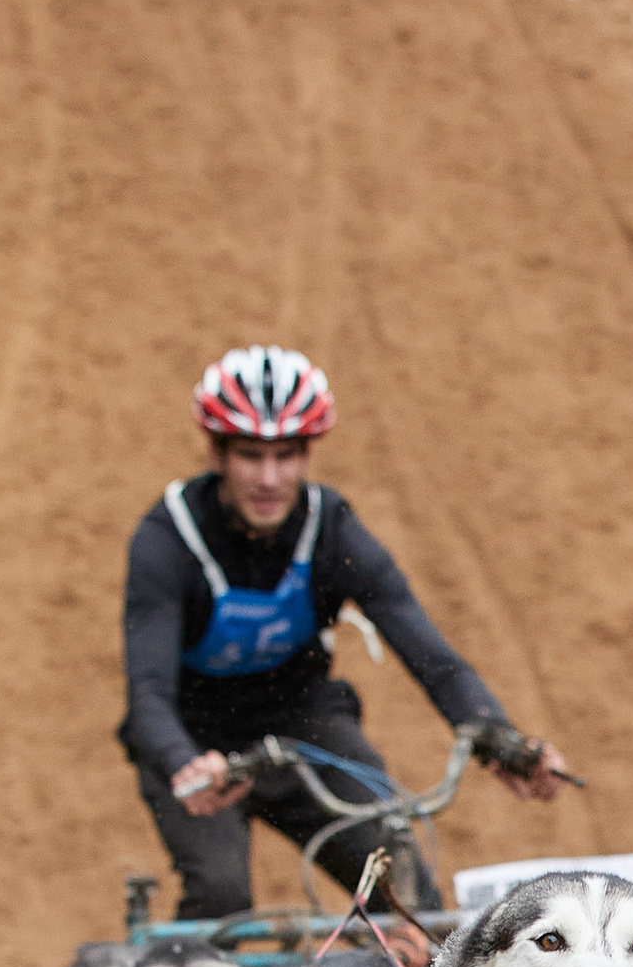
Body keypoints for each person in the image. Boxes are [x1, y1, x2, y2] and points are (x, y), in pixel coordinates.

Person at [120, 345, 573, 930]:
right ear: (216, 452)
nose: (269, 478)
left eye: (286, 455)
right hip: (197, 740)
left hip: (304, 725)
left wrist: (501, 739)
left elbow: (430, 656)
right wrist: (182, 762)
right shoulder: (167, 539)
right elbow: (148, 690)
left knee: (404, 890)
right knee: (221, 902)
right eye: (250, 455)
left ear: (309, 453)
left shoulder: (330, 529)